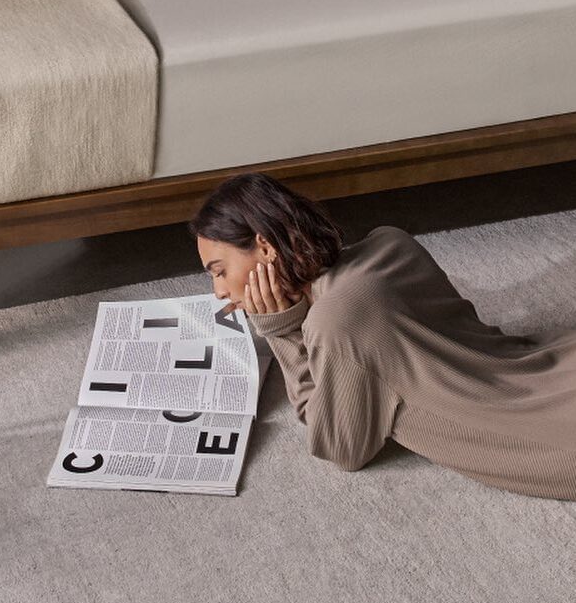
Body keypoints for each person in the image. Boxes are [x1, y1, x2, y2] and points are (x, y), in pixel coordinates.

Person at [189, 171, 576, 501]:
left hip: (547, 436)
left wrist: (282, 328)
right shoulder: (389, 242)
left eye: (219, 271)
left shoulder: (336, 323)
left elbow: (342, 446)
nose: (219, 291)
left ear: (265, 248)